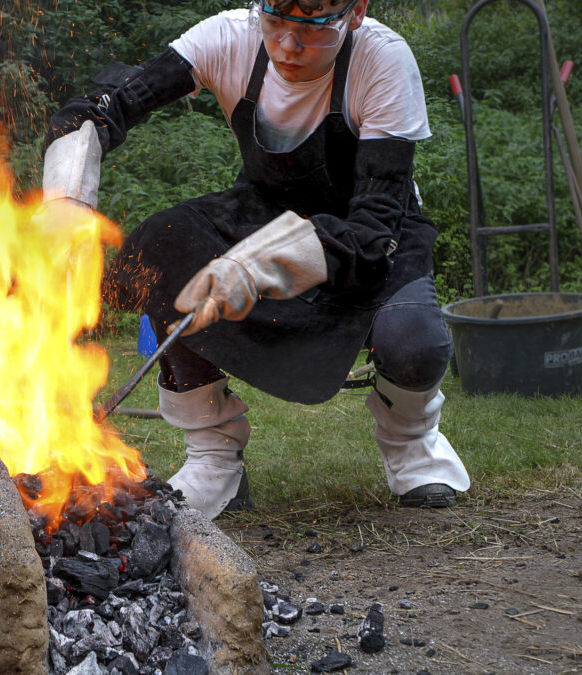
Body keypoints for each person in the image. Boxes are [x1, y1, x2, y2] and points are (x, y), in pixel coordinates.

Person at [40, 0, 470, 518]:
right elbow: (104, 105)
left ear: (354, 12)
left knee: (413, 340)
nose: (288, 46)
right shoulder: (225, 38)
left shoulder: (382, 60)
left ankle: (413, 447)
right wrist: (66, 202)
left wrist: (256, 265)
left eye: (311, 27)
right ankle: (214, 459)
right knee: (163, 244)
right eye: (276, 23)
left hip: (373, 233)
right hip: (261, 212)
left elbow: (372, 227)